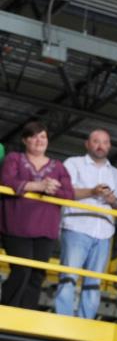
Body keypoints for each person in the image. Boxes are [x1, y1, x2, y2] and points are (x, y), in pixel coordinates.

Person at [54, 128, 117, 319]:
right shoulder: (73, 163)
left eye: (104, 142)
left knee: (94, 282)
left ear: (109, 146)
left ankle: (86, 322)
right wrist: (92, 192)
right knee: (69, 277)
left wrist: (113, 200)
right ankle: (63, 320)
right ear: (87, 144)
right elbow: (64, 191)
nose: (100, 145)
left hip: (104, 233)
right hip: (77, 227)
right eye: (95, 141)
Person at [0, 121, 74, 310]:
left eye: (43, 136)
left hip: (46, 230)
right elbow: (6, 179)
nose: (39, 140)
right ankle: (8, 311)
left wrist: (50, 188)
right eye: (34, 136)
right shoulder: (14, 158)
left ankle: (27, 316)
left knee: (37, 274)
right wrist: (39, 186)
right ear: (25, 140)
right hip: (16, 226)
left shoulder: (58, 166)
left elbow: (68, 193)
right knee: (21, 270)